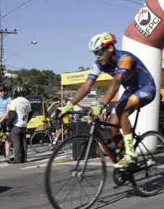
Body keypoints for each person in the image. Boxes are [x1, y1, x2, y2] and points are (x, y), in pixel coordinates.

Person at [59, 32, 156, 169]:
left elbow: (116, 82)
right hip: (130, 90)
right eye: (94, 53)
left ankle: (131, 154)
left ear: (110, 48)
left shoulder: (125, 59)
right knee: (112, 128)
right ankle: (127, 162)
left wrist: (102, 104)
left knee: (121, 109)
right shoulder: (100, 64)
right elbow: (87, 85)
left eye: (99, 51)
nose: (97, 56)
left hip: (146, 88)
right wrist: (69, 106)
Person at [2, 88, 32, 164]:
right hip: (24, 124)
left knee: (16, 142)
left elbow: (12, 115)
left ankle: (18, 159)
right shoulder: (28, 102)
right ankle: (24, 158)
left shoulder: (14, 101)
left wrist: (8, 124)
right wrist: (25, 121)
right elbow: (30, 114)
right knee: (23, 141)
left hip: (16, 125)